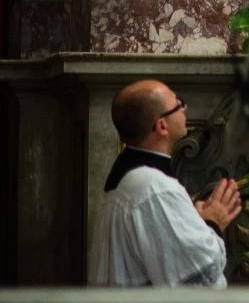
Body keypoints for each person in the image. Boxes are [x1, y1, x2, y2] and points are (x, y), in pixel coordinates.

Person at [88, 80, 241, 287]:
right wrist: (213, 222)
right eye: (178, 104)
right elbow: (202, 277)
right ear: (161, 126)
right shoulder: (155, 188)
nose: (184, 109)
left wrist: (194, 221)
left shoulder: (131, 176)